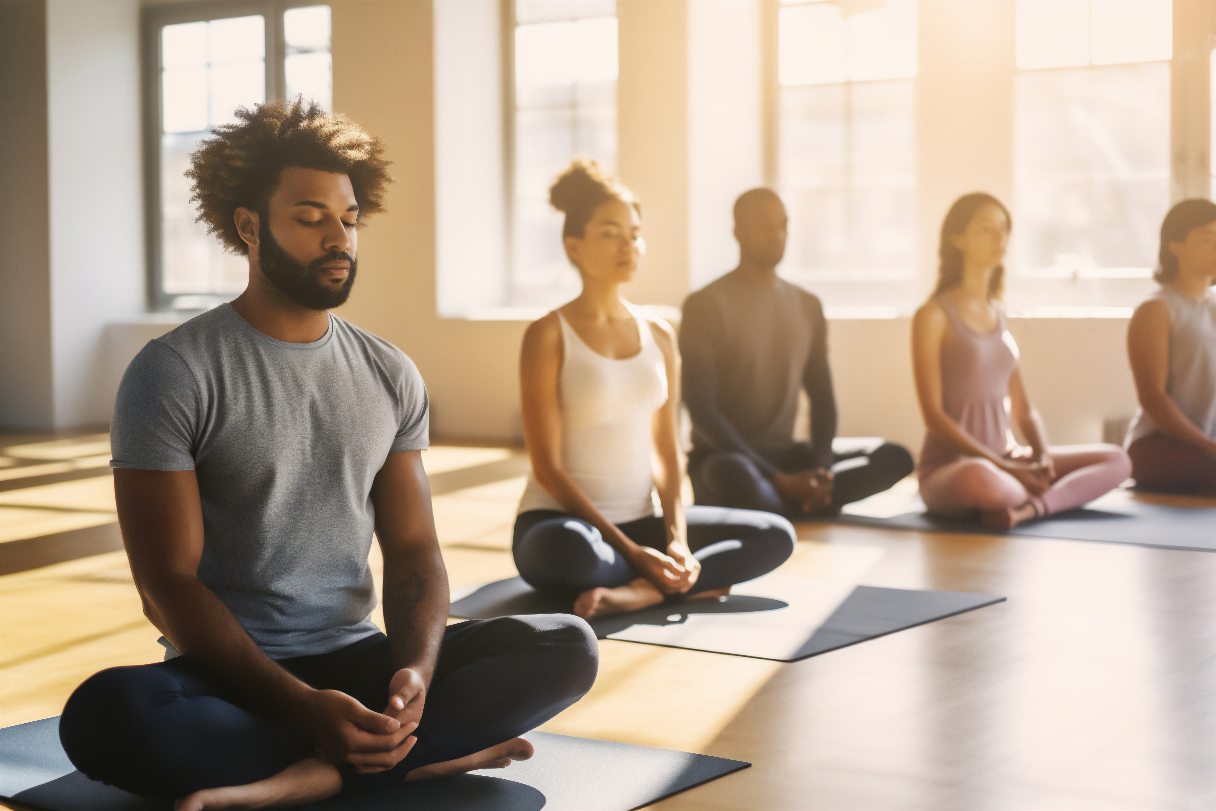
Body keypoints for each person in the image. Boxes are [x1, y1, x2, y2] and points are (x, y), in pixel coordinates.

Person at [57, 99, 598, 810]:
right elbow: (167, 587)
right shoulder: (174, 372)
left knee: (566, 642)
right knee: (104, 713)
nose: (337, 237)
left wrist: (416, 673)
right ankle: (414, 757)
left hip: (358, 660)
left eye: (348, 218)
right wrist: (305, 706)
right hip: (235, 679)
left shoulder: (388, 371)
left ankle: (313, 774)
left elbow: (413, 550)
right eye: (311, 217)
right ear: (249, 226)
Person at [514, 161, 796, 620]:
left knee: (773, 534)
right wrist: (635, 551)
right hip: (562, 525)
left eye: (634, 233)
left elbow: (668, 453)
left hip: (643, 522)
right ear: (574, 246)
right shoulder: (547, 334)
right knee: (571, 555)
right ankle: (662, 582)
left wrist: (677, 540)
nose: (627, 245)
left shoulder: (661, 335)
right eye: (610, 233)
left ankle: (641, 591)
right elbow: (546, 467)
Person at [679, 188, 914, 518]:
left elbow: (822, 396)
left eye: (783, 225)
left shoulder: (806, 305)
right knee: (735, 476)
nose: (777, 234)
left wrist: (822, 468)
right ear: (737, 232)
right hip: (727, 457)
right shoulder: (705, 305)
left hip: (788, 455)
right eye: (764, 225)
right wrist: (778, 478)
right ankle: (790, 497)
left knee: (894, 456)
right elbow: (701, 409)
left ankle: (803, 494)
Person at [911, 192, 1131, 529]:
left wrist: (1041, 458)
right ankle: (1041, 496)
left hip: (1008, 456)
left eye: (1004, 229)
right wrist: (1005, 469)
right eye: (986, 228)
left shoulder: (999, 315)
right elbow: (934, 416)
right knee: (982, 479)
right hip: (956, 467)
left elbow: (1023, 410)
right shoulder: (934, 315)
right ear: (958, 239)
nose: (1000, 238)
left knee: (1117, 460)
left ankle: (1029, 508)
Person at [1125, 198, 1216, 495]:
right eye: (1207, 238)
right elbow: (1153, 398)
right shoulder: (1157, 310)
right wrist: (1207, 446)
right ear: (1176, 246)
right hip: (1159, 447)